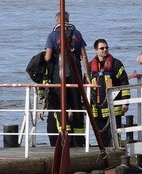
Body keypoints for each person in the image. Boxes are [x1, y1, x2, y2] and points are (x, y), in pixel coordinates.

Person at [43, 11, 90, 147]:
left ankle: (66, 139)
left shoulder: (52, 36)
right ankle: (80, 140)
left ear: (57, 20)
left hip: (59, 75)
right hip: (75, 74)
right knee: (76, 106)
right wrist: (87, 76)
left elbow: (47, 57)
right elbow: (84, 56)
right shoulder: (77, 34)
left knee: (61, 106)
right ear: (68, 19)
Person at [90, 38, 130, 146]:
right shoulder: (90, 67)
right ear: (96, 50)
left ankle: (116, 154)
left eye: (106, 47)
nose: (104, 50)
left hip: (113, 109)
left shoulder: (116, 64)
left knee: (115, 137)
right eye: (101, 48)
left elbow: (125, 84)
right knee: (100, 138)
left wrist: (125, 102)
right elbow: (86, 88)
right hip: (96, 111)